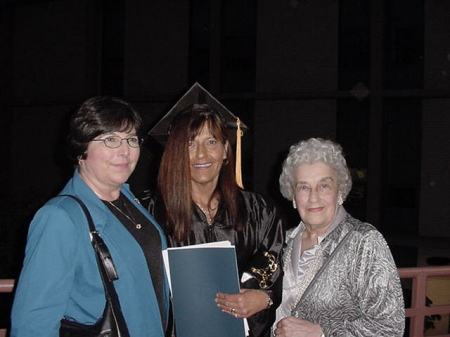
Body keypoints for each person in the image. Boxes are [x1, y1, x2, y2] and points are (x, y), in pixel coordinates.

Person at [10, 96, 169, 337]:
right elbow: (33, 323)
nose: (125, 151)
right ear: (81, 150)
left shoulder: (131, 202)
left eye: (132, 139)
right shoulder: (60, 217)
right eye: (110, 139)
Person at [145, 83, 285, 337]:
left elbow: (275, 269)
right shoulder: (150, 214)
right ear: (176, 153)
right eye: (190, 143)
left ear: (226, 151)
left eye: (211, 141)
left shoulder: (260, 211)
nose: (201, 154)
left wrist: (264, 297)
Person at [272, 137, 405, 337]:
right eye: (303, 187)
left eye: (324, 185)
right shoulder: (283, 241)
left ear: (340, 191)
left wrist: (322, 333)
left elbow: (389, 328)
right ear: (293, 195)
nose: (313, 197)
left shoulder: (364, 242)